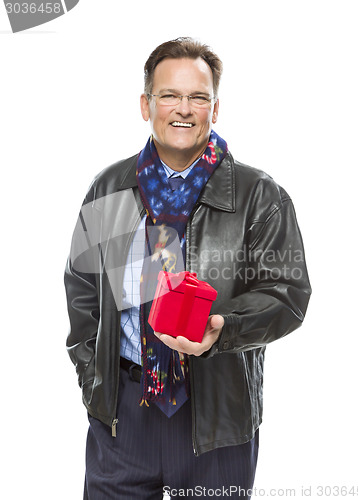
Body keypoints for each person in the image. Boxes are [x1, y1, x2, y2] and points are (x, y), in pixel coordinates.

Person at [65, 37, 311, 500]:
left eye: (198, 97)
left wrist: (225, 329)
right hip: (122, 417)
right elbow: (81, 289)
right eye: (169, 95)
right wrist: (93, 381)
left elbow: (288, 294)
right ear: (146, 104)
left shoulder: (260, 196)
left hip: (216, 416)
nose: (184, 109)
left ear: (214, 109)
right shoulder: (108, 188)